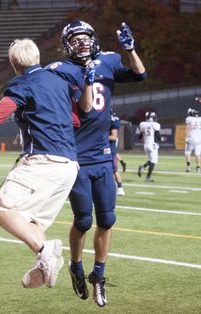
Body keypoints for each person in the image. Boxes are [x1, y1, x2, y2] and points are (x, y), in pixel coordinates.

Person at [0, 38, 92, 289]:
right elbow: (74, 121)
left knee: (0, 210)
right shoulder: (59, 80)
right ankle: (44, 260)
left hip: (42, 160)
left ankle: (44, 249)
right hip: (69, 165)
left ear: (14, 63)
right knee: (31, 222)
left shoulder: (22, 83)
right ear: (37, 57)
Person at [46, 21, 146, 307]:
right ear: (67, 45)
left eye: (85, 38)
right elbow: (86, 108)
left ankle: (98, 274)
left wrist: (130, 50)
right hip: (76, 156)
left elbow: (140, 75)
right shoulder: (62, 71)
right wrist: (88, 79)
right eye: (75, 40)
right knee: (84, 220)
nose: (82, 44)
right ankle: (76, 266)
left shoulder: (108, 61)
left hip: (102, 154)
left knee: (107, 218)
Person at [137, 111, 161, 181]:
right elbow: (158, 136)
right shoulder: (155, 124)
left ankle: (143, 167)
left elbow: (140, 136)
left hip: (146, 145)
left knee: (151, 160)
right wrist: (161, 139)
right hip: (152, 144)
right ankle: (148, 177)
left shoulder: (142, 124)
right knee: (154, 161)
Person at [109, 110, 125, 196]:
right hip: (108, 148)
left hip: (110, 149)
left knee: (114, 170)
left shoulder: (112, 121)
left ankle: (120, 188)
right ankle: (119, 188)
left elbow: (113, 137)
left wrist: (100, 137)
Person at [184, 108, 201, 173]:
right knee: (198, 154)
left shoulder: (189, 119)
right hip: (199, 140)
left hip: (191, 139)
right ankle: (198, 168)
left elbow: (187, 129)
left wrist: (186, 137)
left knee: (187, 153)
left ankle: (188, 167)